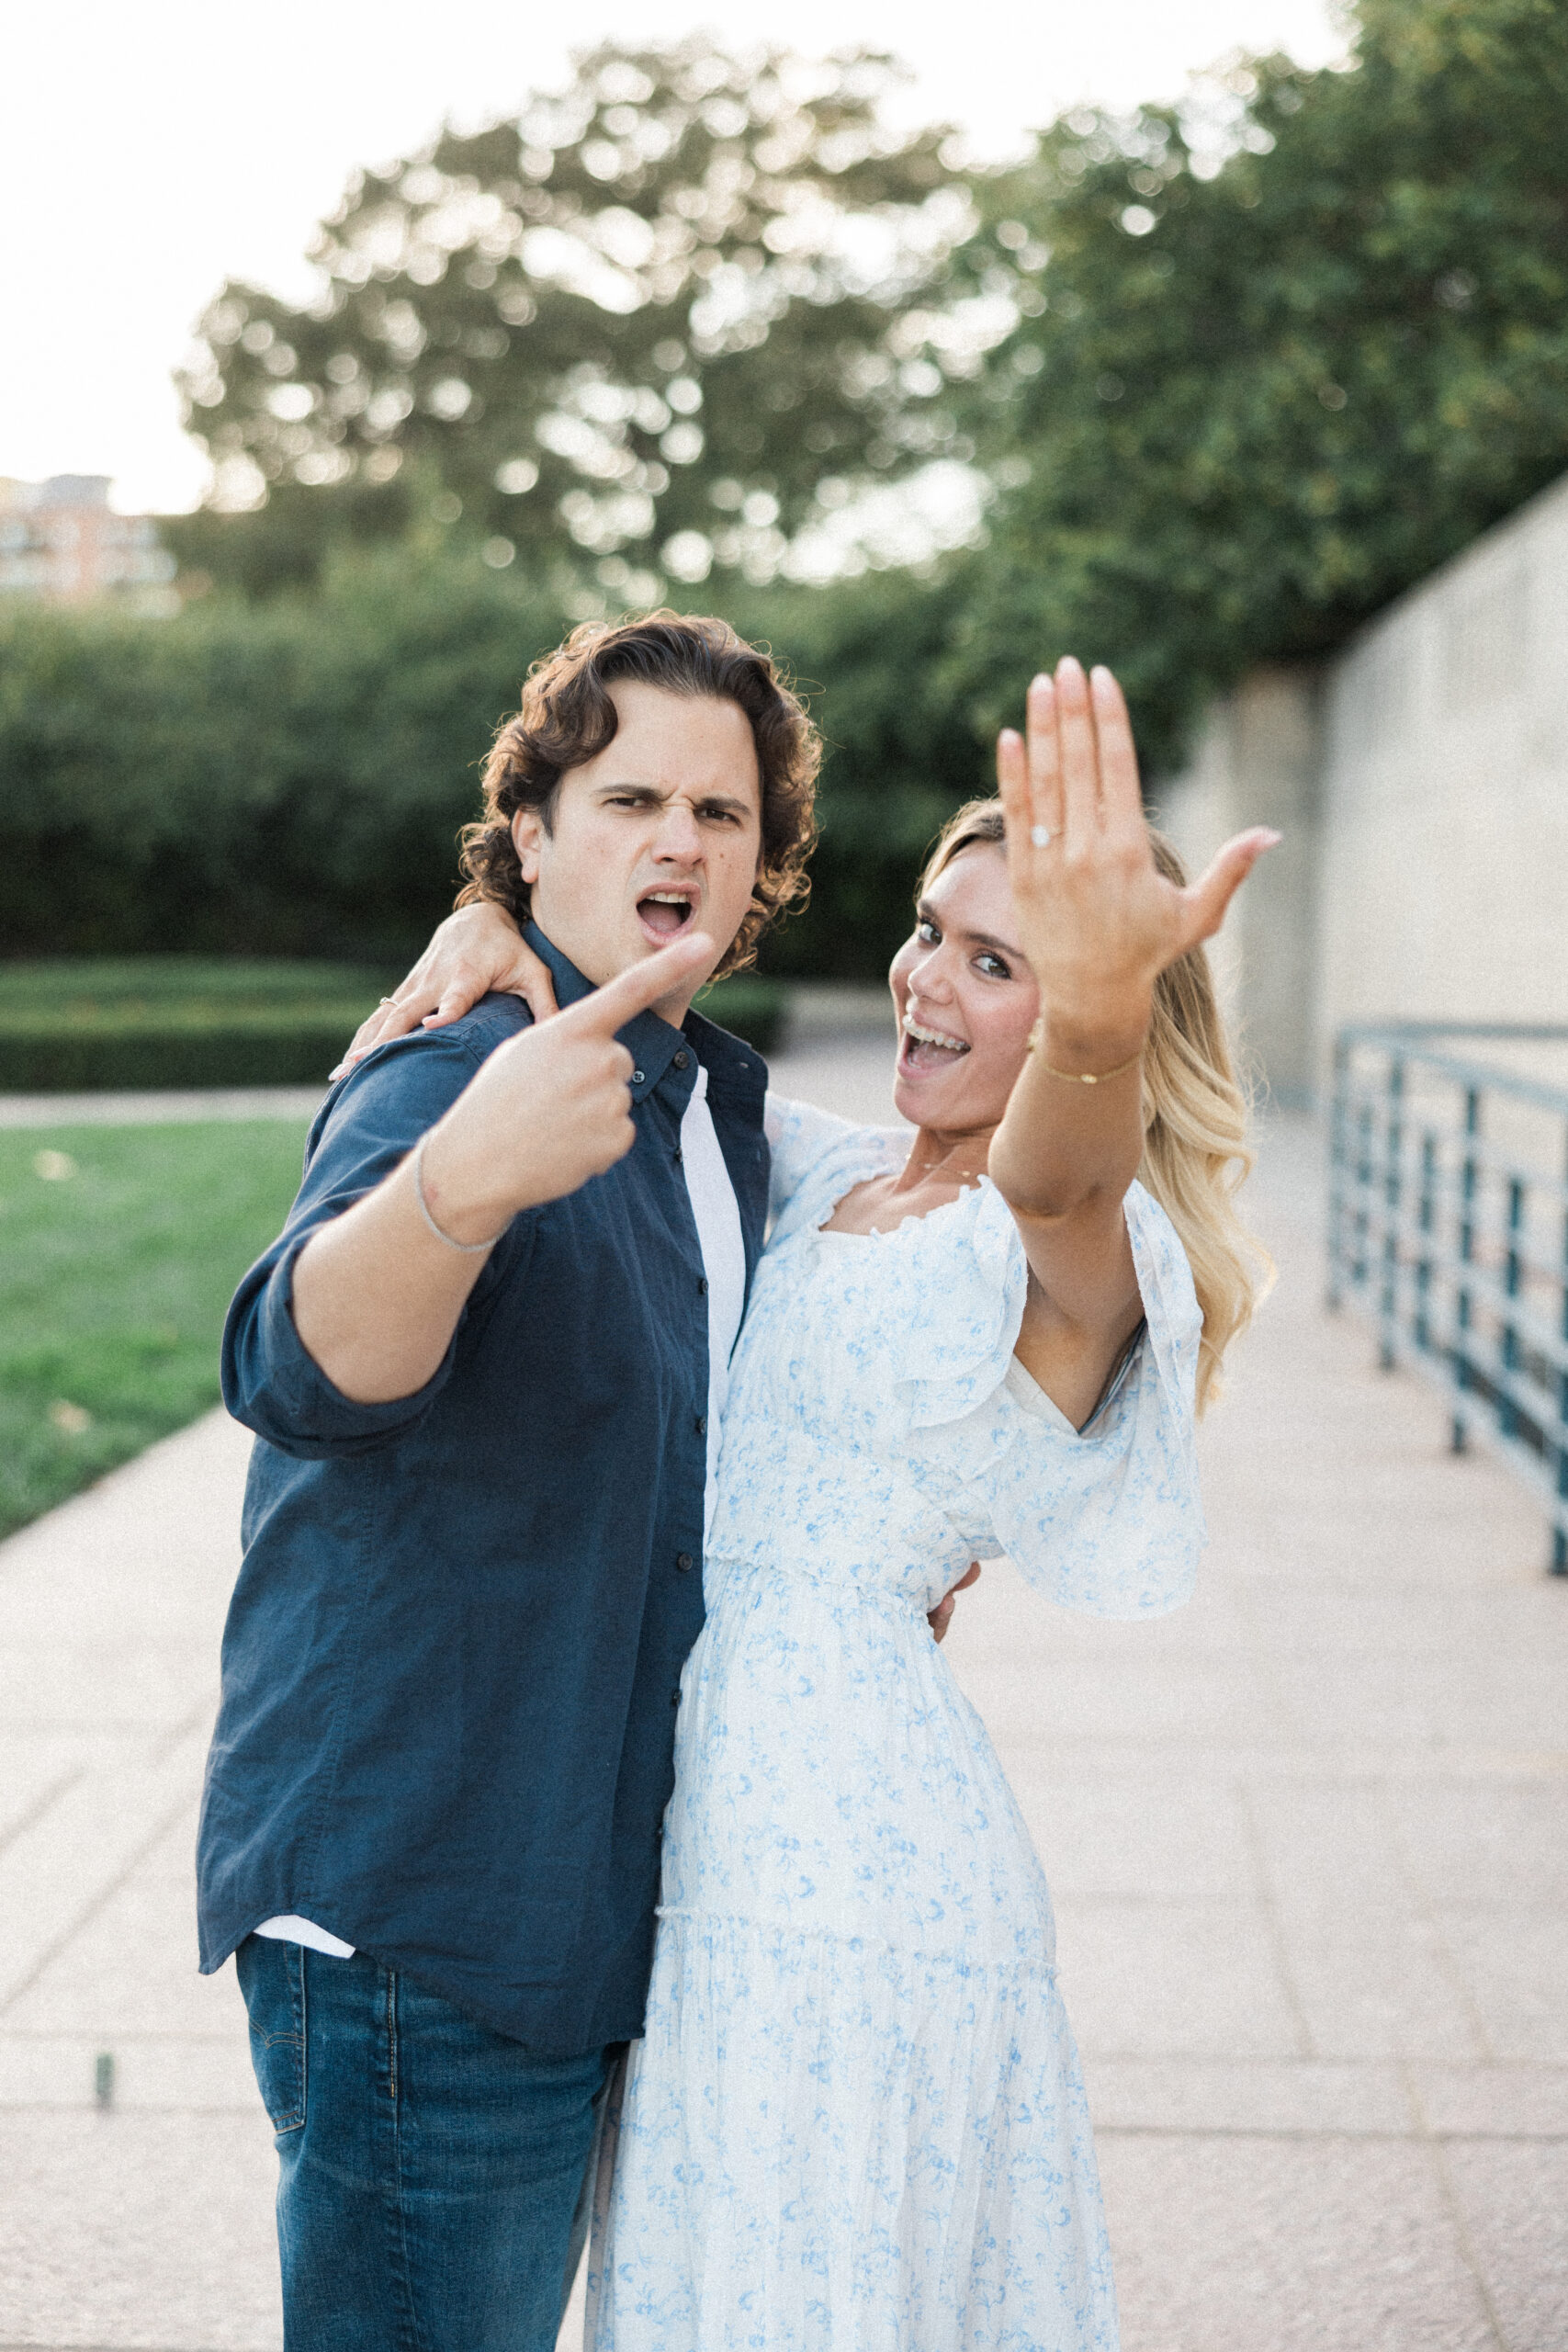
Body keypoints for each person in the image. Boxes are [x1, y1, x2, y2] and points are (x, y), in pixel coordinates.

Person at [351, 652, 1276, 2347]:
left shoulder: (1076, 1251)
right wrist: (492, 926)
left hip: (855, 1893)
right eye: (937, 929)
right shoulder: (831, 1164)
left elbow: (1064, 1157)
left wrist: (1094, 1016)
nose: (929, 982)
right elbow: (628, 1022)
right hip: (690, 1859)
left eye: (1005, 965)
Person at [197, 612, 908, 2352]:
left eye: (722, 814)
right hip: (428, 1913)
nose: (680, 840)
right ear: (531, 834)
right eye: (631, 798)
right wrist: (458, 1183)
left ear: (765, 863)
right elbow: (292, 1368)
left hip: (589, 1890)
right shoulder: (458, 1068)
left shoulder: (715, 1113)